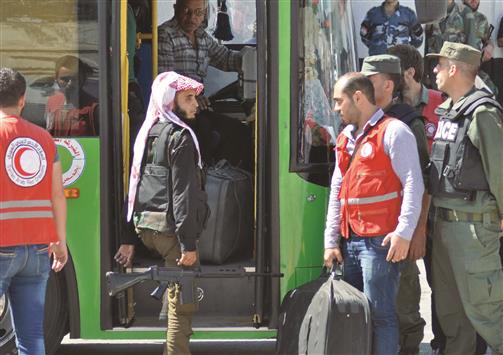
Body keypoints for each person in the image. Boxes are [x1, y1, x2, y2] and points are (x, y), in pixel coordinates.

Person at [323, 72, 424, 355]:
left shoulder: (394, 131)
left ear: (358, 98)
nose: (335, 108)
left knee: (381, 316)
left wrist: (404, 233)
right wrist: (331, 241)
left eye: (338, 101)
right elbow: (337, 190)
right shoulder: (345, 137)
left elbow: (414, 183)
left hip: (380, 243)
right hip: (350, 241)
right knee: (352, 317)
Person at [115, 72, 209, 355]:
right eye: (188, 98)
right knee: (183, 305)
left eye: (195, 97)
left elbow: (133, 187)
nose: (196, 104)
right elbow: (183, 195)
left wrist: (128, 237)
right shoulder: (180, 137)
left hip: (146, 229)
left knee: (176, 293)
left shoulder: (147, 132)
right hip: (171, 234)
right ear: (171, 101)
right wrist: (188, 245)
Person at [426, 41, 503, 355]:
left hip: (472, 231)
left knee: (488, 314)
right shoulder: (450, 112)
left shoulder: (482, 112)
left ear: (455, 68)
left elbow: (499, 169)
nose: (435, 70)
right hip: (445, 227)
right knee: (453, 319)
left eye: (440, 65)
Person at [360, 54, 429, 355]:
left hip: (398, 233)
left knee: (404, 310)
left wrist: (417, 231)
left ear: (388, 85)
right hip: (368, 235)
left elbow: (423, 184)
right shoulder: (363, 119)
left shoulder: (407, 122)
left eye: (369, 80)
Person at [0, 68, 68, 355]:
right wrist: (60, 241)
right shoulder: (43, 138)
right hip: (38, 250)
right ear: (23, 99)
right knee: (31, 339)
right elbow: (57, 194)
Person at [388, 43, 448, 355]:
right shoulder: (385, 109)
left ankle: (442, 342)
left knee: (441, 283)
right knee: (404, 290)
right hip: (399, 216)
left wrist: (421, 228)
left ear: (408, 73)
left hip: (435, 214)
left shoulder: (441, 105)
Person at [157, 0, 252, 169]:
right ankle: (202, 177)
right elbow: (167, 78)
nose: (192, 17)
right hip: (177, 109)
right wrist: (193, 94)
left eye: (198, 12)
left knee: (240, 131)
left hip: (198, 107)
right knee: (205, 133)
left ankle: (225, 180)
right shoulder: (166, 34)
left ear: (205, 14)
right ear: (175, 9)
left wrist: (255, 59)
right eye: (186, 11)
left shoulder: (201, 36)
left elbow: (226, 59)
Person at [45, 55, 99, 137]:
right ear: (56, 78)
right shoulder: (52, 102)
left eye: (74, 78)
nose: (70, 83)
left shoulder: (93, 108)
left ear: (82, 79)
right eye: (65, 79)